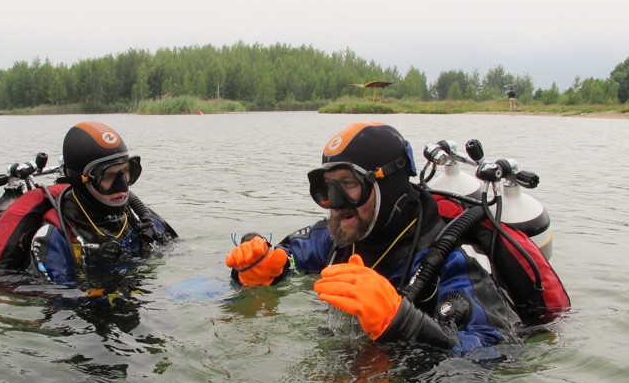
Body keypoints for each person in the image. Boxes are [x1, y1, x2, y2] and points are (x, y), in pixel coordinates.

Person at [225, 122, 569, 357]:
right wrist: (270, 265)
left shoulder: (452, 259)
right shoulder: (343, 233)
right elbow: (295, 253)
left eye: (348, 185)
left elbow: (496, 350)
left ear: (387, 187)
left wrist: (403, 321)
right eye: (326, 188)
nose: (336, 204)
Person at [0, 121, 176, 289]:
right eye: (107, 176)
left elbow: (180, 252)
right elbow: (61, 302)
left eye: (125, 171)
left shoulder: (136, 217)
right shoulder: (55, 237)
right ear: (81, 179)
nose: (122, 186)